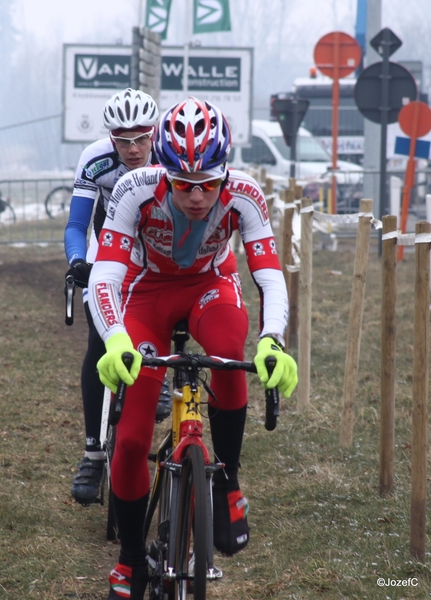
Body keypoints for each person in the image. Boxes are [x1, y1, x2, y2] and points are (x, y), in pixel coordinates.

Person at [87, 97, 298, 600]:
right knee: (135, 437)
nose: (198, 196)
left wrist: (273, 341)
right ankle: (131, 559)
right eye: (183, 184)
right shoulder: (135, 188)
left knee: (229, 353)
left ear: (225, 172)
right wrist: (116, 339)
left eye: (208, 183)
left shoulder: (244, 192)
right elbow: (107, 275)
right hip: (148, 295)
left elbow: (269, 277)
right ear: (164, 170)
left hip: (210, 285)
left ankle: (227, 483)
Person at [64, 88, 171, 506]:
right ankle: (93, 453)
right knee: (99, 339)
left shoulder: (168, 156)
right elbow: (76, 224)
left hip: (156, 243)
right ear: (110, 137)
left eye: (141, 138)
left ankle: (157, 373)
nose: (131, 148)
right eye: (122, 139)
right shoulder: (96, 158)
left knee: (165, 312)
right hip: (108, 243)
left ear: (154, 133)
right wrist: (77, 261)